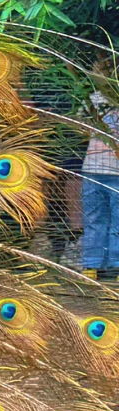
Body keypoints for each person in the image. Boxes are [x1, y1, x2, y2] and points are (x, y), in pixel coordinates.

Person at [81, 80, 119, 278]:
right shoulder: (92, 98)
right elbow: (81, 129)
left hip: (116, 171)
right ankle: (92, 265)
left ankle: (115, 265)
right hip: (93, 168)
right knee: (94, 218)